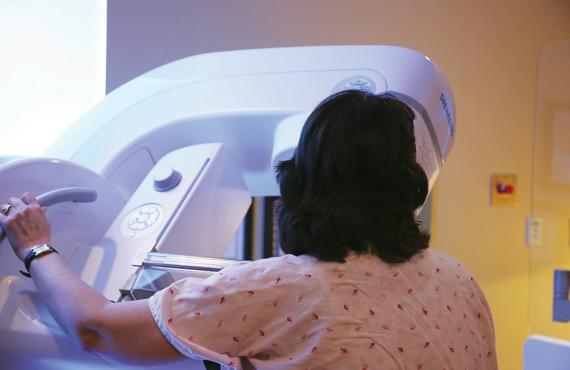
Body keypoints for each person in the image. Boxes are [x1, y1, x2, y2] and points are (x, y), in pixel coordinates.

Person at [0, 90, 497, 369]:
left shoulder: (285, 287)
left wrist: (35, 244)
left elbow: (94, 328)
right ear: (408, 183)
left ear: (301, 180)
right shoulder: (459, 279)